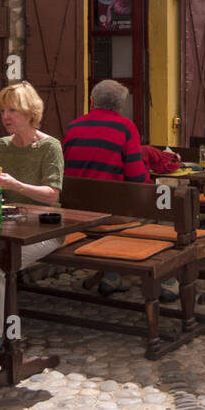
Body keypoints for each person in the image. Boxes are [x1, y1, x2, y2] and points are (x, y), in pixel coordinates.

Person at [0, 82, 64, 350]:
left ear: (30, 112)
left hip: (45, 227)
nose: (6, 117)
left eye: (12, 110)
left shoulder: (50, 146)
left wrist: (16, 185)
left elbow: (52, 194)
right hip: (8, 224)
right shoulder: (3, 145)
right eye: (3, 110)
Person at [63, 80, 164, 299]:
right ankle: (165, 277)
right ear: (122, 105)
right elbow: (137, 179)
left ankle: (113, 275)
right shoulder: (126, 127)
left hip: (75, 211)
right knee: (159, 211)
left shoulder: (73, 127)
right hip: (108, 214)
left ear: (92, 101)